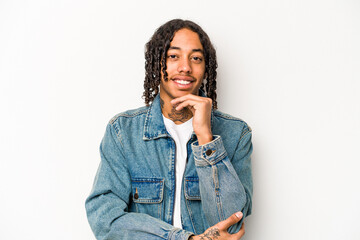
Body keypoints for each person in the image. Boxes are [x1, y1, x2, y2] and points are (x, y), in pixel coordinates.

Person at [85, 19, 253, 240]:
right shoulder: (123, 132)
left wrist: (205, 138)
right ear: (156, 63)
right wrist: (186, 239)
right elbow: (105, 218)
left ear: (205, 68)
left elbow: (231, 224)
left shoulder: (236, 133)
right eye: (173, 56)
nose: (185, 67)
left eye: (196, 58)